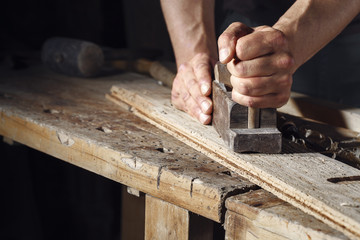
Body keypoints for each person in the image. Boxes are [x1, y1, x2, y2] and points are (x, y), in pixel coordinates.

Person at [160, 0, 360, 125]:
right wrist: (195, 59)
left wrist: (291, 37)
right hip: (248, 12)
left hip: (337, 22)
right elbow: (199, 63)